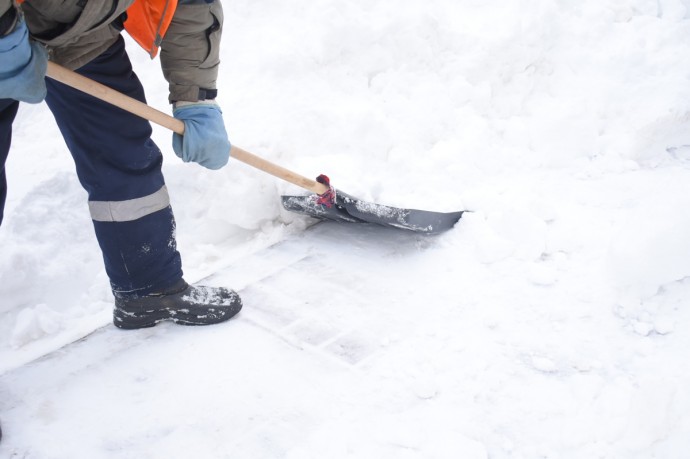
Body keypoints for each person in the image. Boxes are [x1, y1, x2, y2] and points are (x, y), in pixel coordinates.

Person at [0, 0, 243, 330]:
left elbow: (188, 5)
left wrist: (196, 98)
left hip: (78, 32)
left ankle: (148, 291)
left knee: (123, 149)